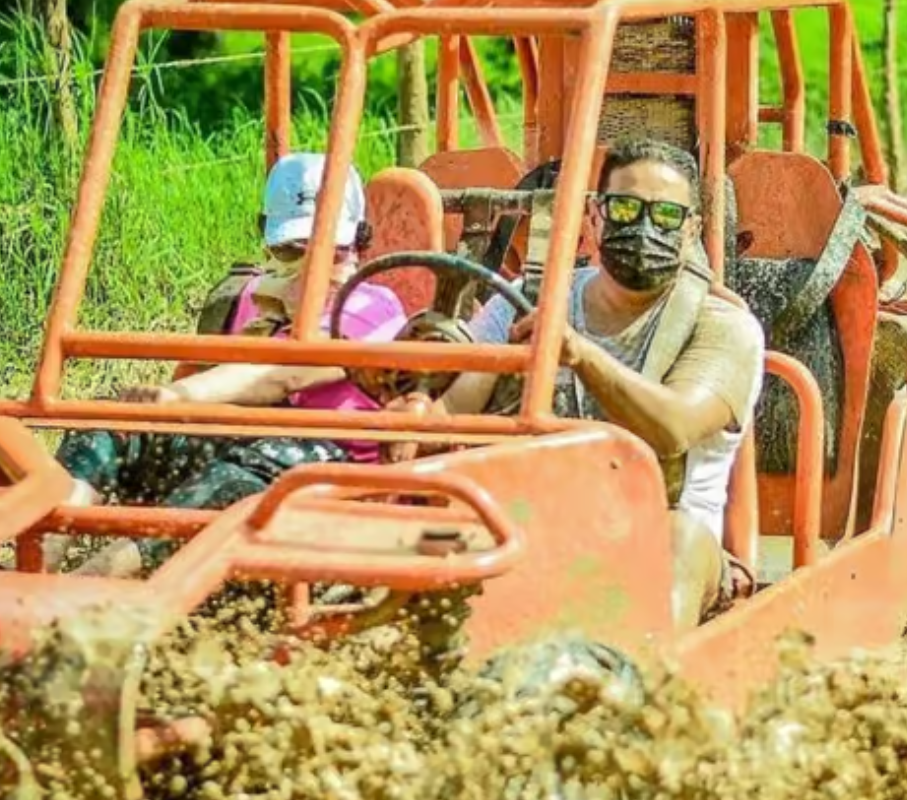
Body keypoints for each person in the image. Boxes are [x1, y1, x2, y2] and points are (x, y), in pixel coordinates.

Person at [439, 138, 766, 630]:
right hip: (526, 523)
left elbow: (674, 426)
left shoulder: (723, 327)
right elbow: (452, 411)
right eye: (627, 208)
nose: (644, 227)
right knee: (428, 529)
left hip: (656, 534)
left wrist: (579, 354)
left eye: (667, 216)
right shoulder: (530, 301)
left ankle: (643, 682)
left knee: (677, 540)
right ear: (594, 215)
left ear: (692, 228)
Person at [52, 153, 408, 578]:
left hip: (333, 473)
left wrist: (181, 396)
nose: (311, 267)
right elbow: (226, 377)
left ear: (358, 244)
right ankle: (35, 555)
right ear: (269, 242)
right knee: (111, 427)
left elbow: (281, 374)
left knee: (230, 481)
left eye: (331, 252)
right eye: (291, 250)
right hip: (252, 443)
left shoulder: (373, 307)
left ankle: (92, 587)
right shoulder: (257, 299)